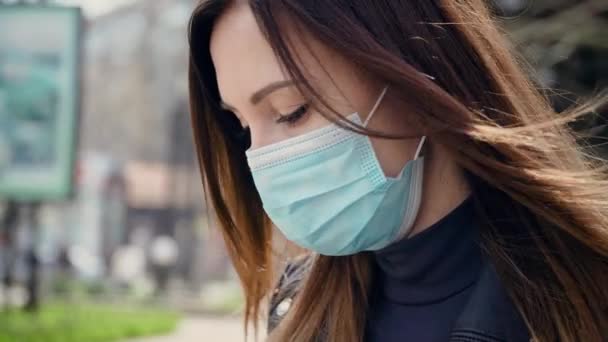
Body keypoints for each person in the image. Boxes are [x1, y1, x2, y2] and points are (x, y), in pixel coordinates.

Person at [187, 1, 608, 341]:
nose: (262, 158)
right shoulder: (297, 306)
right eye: (243, 128)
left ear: (412, 73)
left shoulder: (586, 296)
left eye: (291, 111)